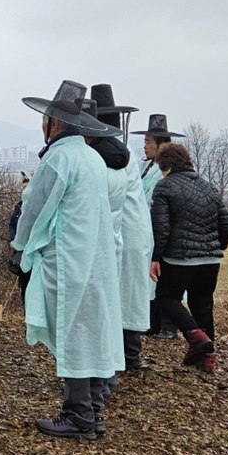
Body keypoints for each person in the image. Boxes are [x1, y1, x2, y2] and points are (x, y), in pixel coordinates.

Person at [13, 81, 123, 442]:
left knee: (73, 330)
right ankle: (92, 409)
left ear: (54, 124)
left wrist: (20, 247)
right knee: (88, 330)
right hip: (93, 259)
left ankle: (78, 416)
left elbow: (35, 208)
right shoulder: (92, 157)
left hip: (68, 259)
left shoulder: (59, 158)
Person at [149, 142, 228, 374]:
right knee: (203, 305)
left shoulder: (164, 187)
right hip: (210, 260)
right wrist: (215, 247)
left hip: (179, 258)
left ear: (164, 164)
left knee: (166, 298)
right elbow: (227, 224)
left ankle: (195, 336)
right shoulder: (208, 187)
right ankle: (207, 360)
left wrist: (156, 257)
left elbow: (162, 228)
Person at [90, 85, 153, 377]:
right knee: (126, 295)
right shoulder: (121, 151)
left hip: (123, 230)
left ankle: (124, 358)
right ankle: (128, 356)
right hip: (133, 229)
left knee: (119, 296)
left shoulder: (108, 154)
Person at [131, 114, 189, 339]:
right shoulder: (144, 167)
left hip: (164, 230)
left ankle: (169, 324)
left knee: (165, 279)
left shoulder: (169, 173)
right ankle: (152, 322)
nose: (145, 147)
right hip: (146, 229)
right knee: (148, 280)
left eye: (148, 142)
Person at [6, 172, 30, 301]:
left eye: (26, 188)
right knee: (23, 286)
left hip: (31, 253)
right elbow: (12, 224)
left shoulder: (35, 206)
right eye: (22, 188)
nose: (24, 191)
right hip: (19, 252)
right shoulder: (18, 206)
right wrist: (13, 240)